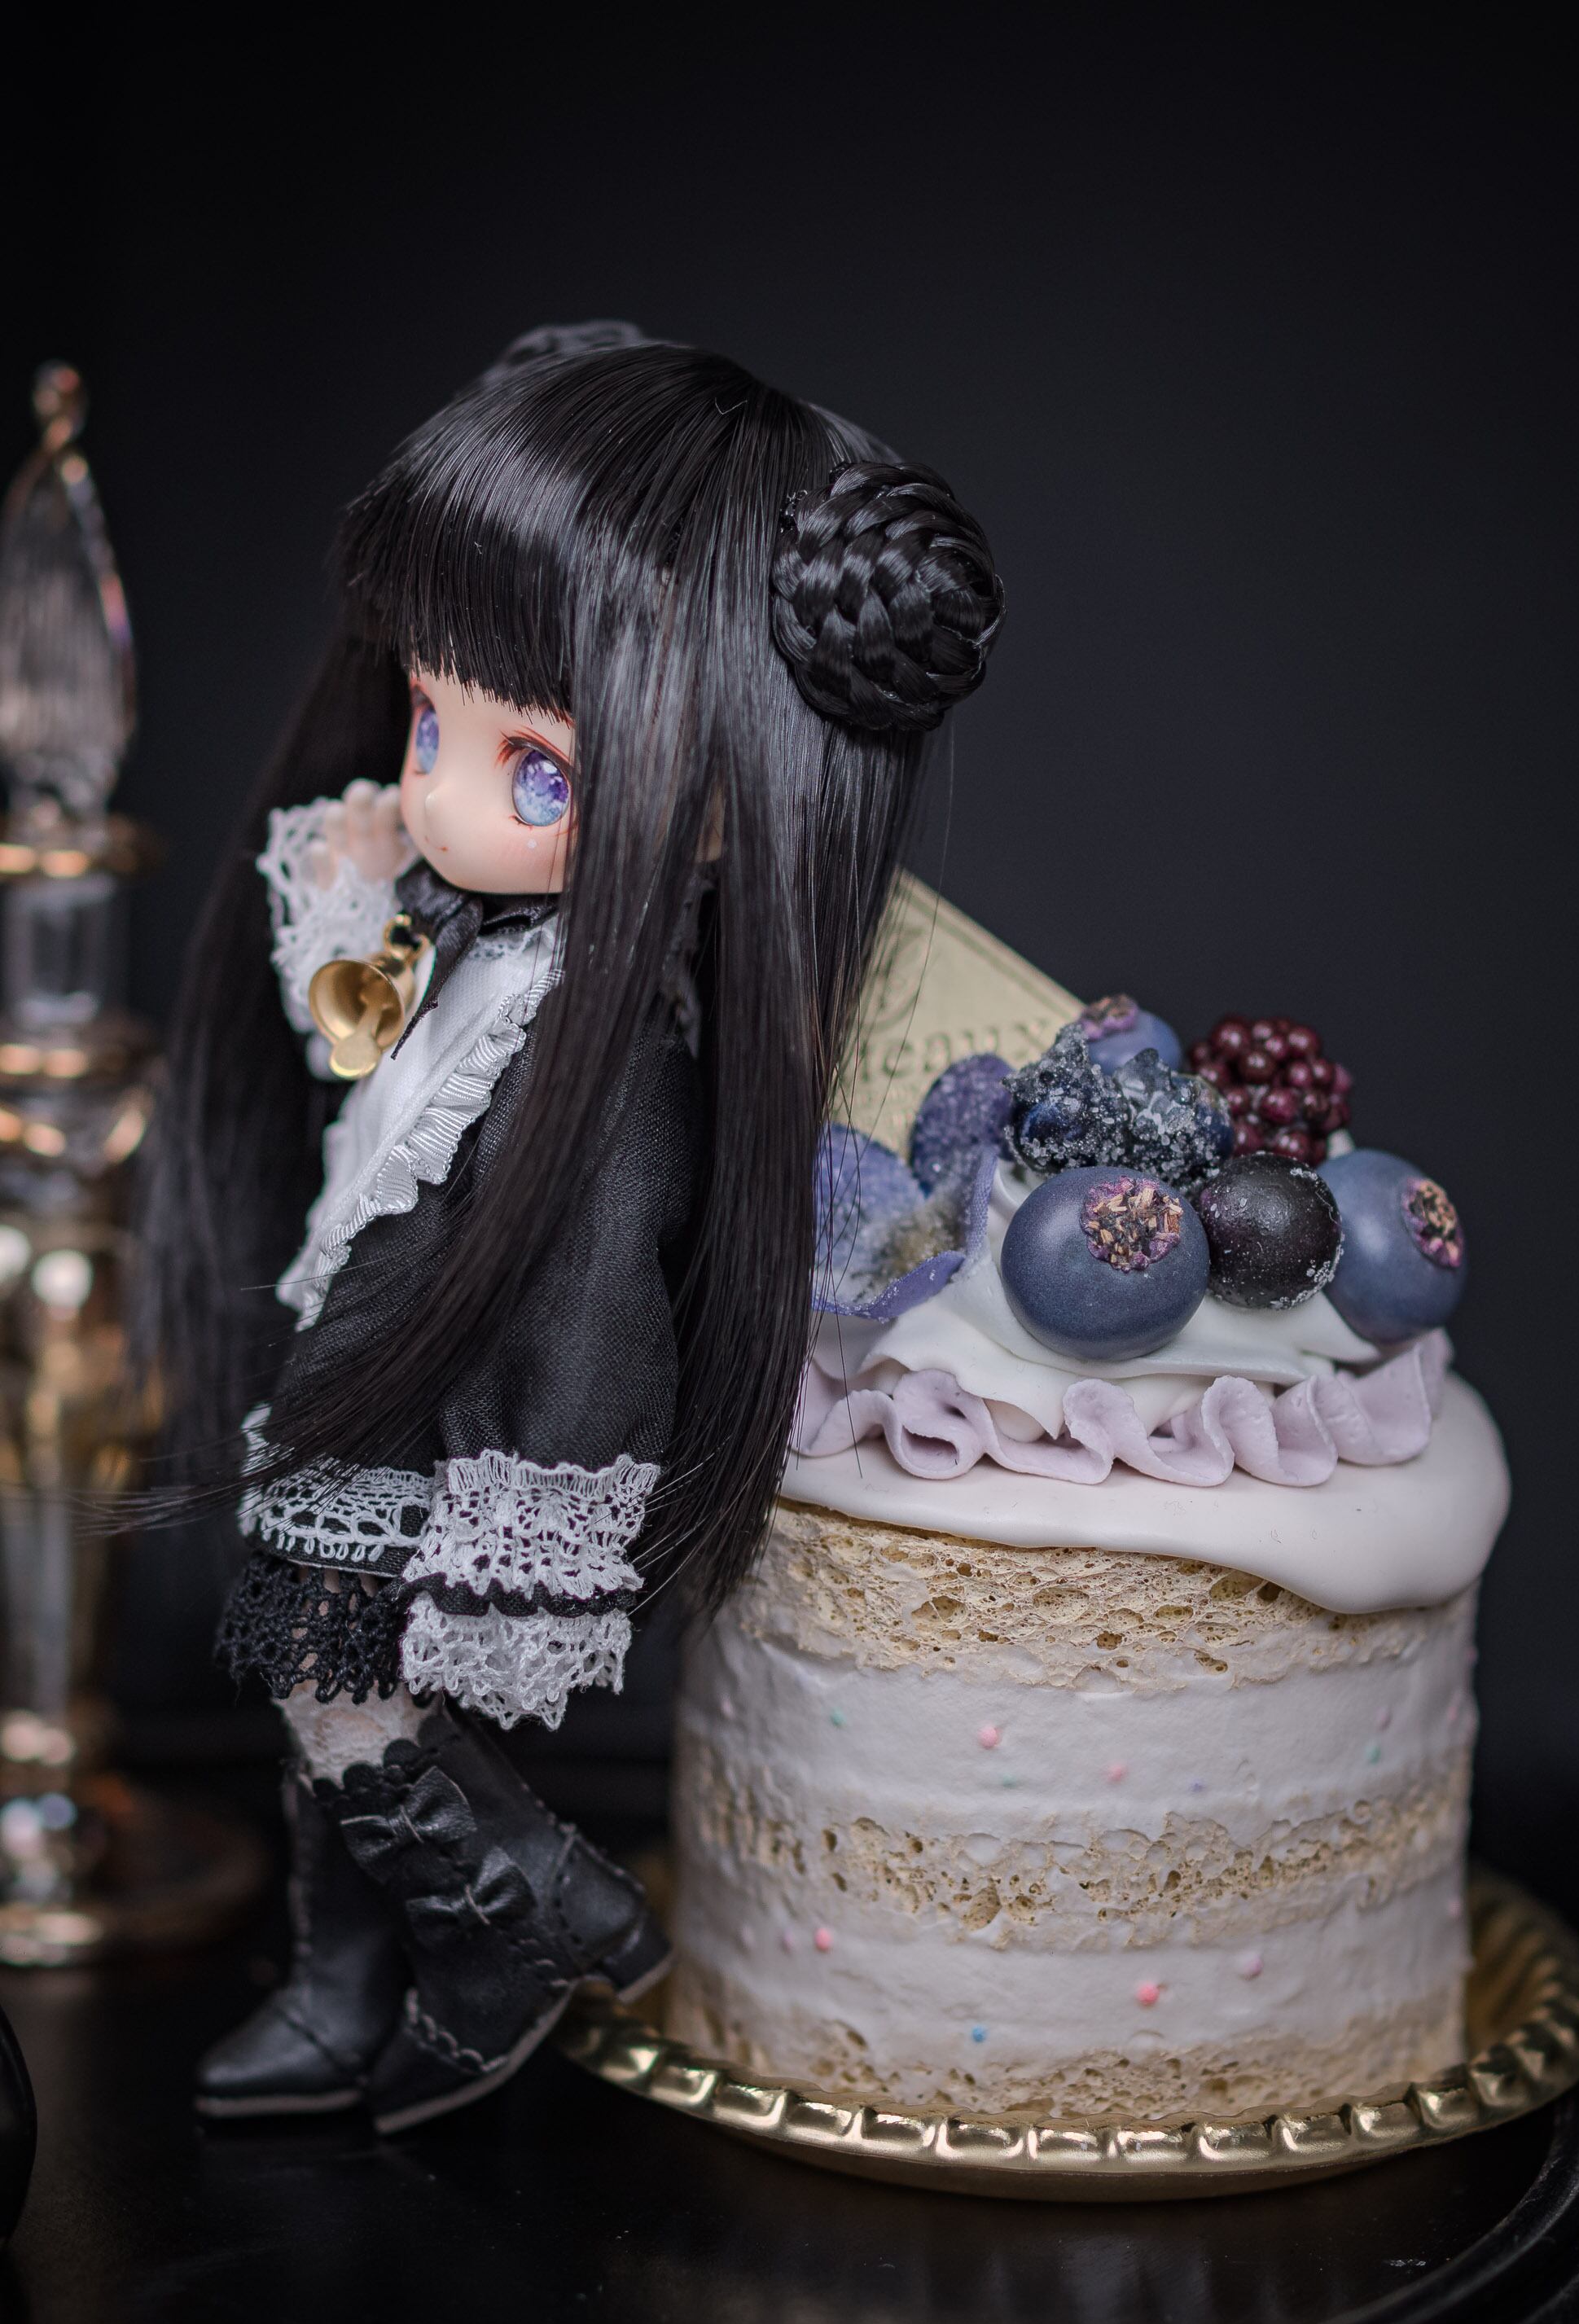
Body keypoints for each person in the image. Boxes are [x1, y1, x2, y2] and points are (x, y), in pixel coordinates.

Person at [140, 323, 1003, 2133]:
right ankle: (347, 1976)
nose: (440, 790)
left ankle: (521, 1906)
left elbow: (594, 1307)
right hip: (361, 1379)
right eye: (428, 717)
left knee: (325, 1676)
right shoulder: (474, 940)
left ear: (731, 805)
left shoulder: (618, 1076)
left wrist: (523, 1513)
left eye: (537, 771)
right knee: (312, 1668)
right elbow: (364, 1043)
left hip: (437, 1425)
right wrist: (355, 906)